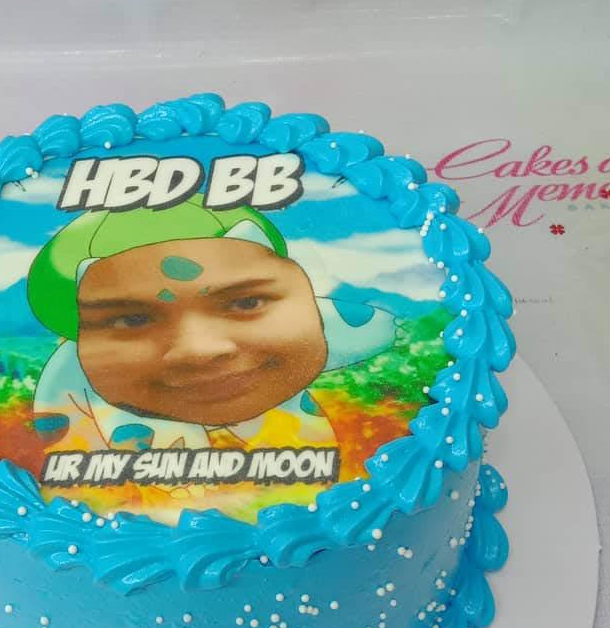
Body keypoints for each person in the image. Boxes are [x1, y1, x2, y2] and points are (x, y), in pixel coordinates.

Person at [27, 194, 396, 454]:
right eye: (134, 319)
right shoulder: (70, 382)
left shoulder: (305, 319)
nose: (200, 349)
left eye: (246, 302)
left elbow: (375, 328)